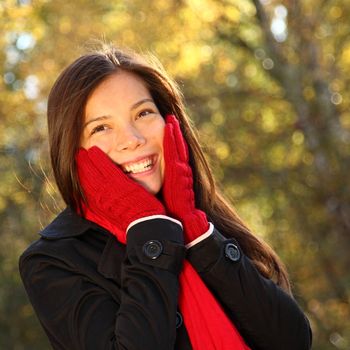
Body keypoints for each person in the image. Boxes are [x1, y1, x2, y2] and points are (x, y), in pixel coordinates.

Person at [19, 44, 312, 350]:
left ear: (170, 123)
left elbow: (292, 340)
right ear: (73, 151)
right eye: (102, 127)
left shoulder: (201, 219)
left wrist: (196, 233)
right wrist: (149, 228)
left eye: (143, 113)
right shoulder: (51, 261)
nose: (133, 140)